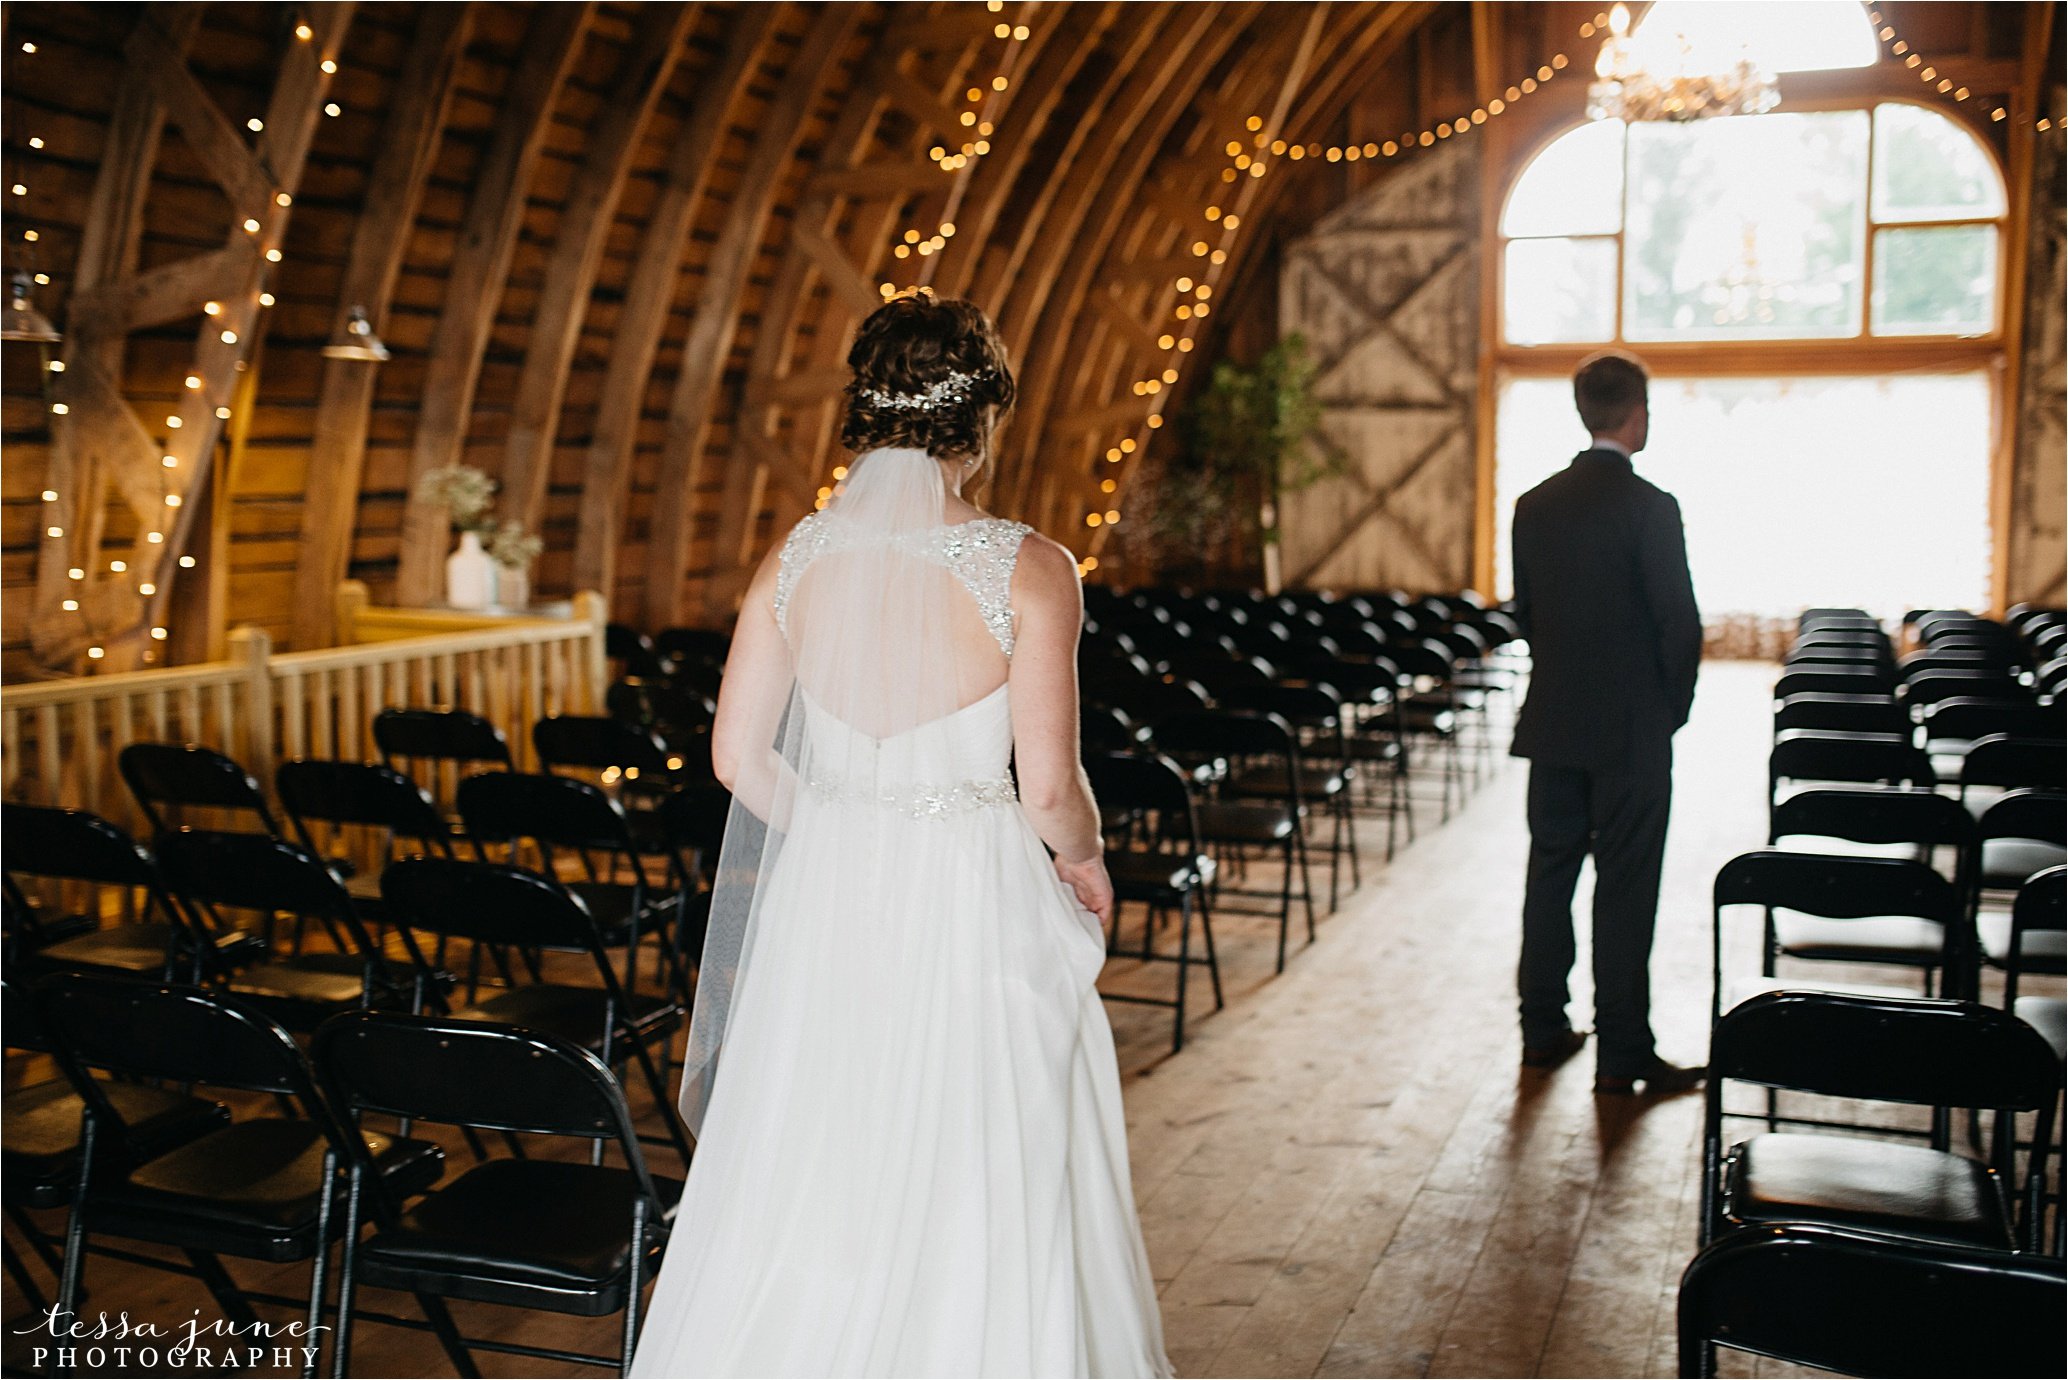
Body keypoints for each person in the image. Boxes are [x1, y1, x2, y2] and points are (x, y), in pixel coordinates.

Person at [628, 292, 1171, 1377]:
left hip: (828, 892)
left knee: (821, 1137)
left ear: (864, 413)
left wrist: (840, 825)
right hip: (971, 889)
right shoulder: (1032, 566)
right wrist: (1087, 862)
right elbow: (1051, 785)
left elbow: (737, 760)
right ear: (981, 420)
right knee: (983, 1146)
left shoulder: (793, 559)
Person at [1508, 350, 1705, 1097]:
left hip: (1553, 721)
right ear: (1637, 414)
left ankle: (1541, 1030)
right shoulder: (1652, 507)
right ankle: (1621, 1052)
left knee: (1549, 877)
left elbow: (1525, 613)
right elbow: (1679, 626)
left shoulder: (1534, 504)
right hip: (1630, 732)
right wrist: (1667, 714)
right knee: (1625, 888)